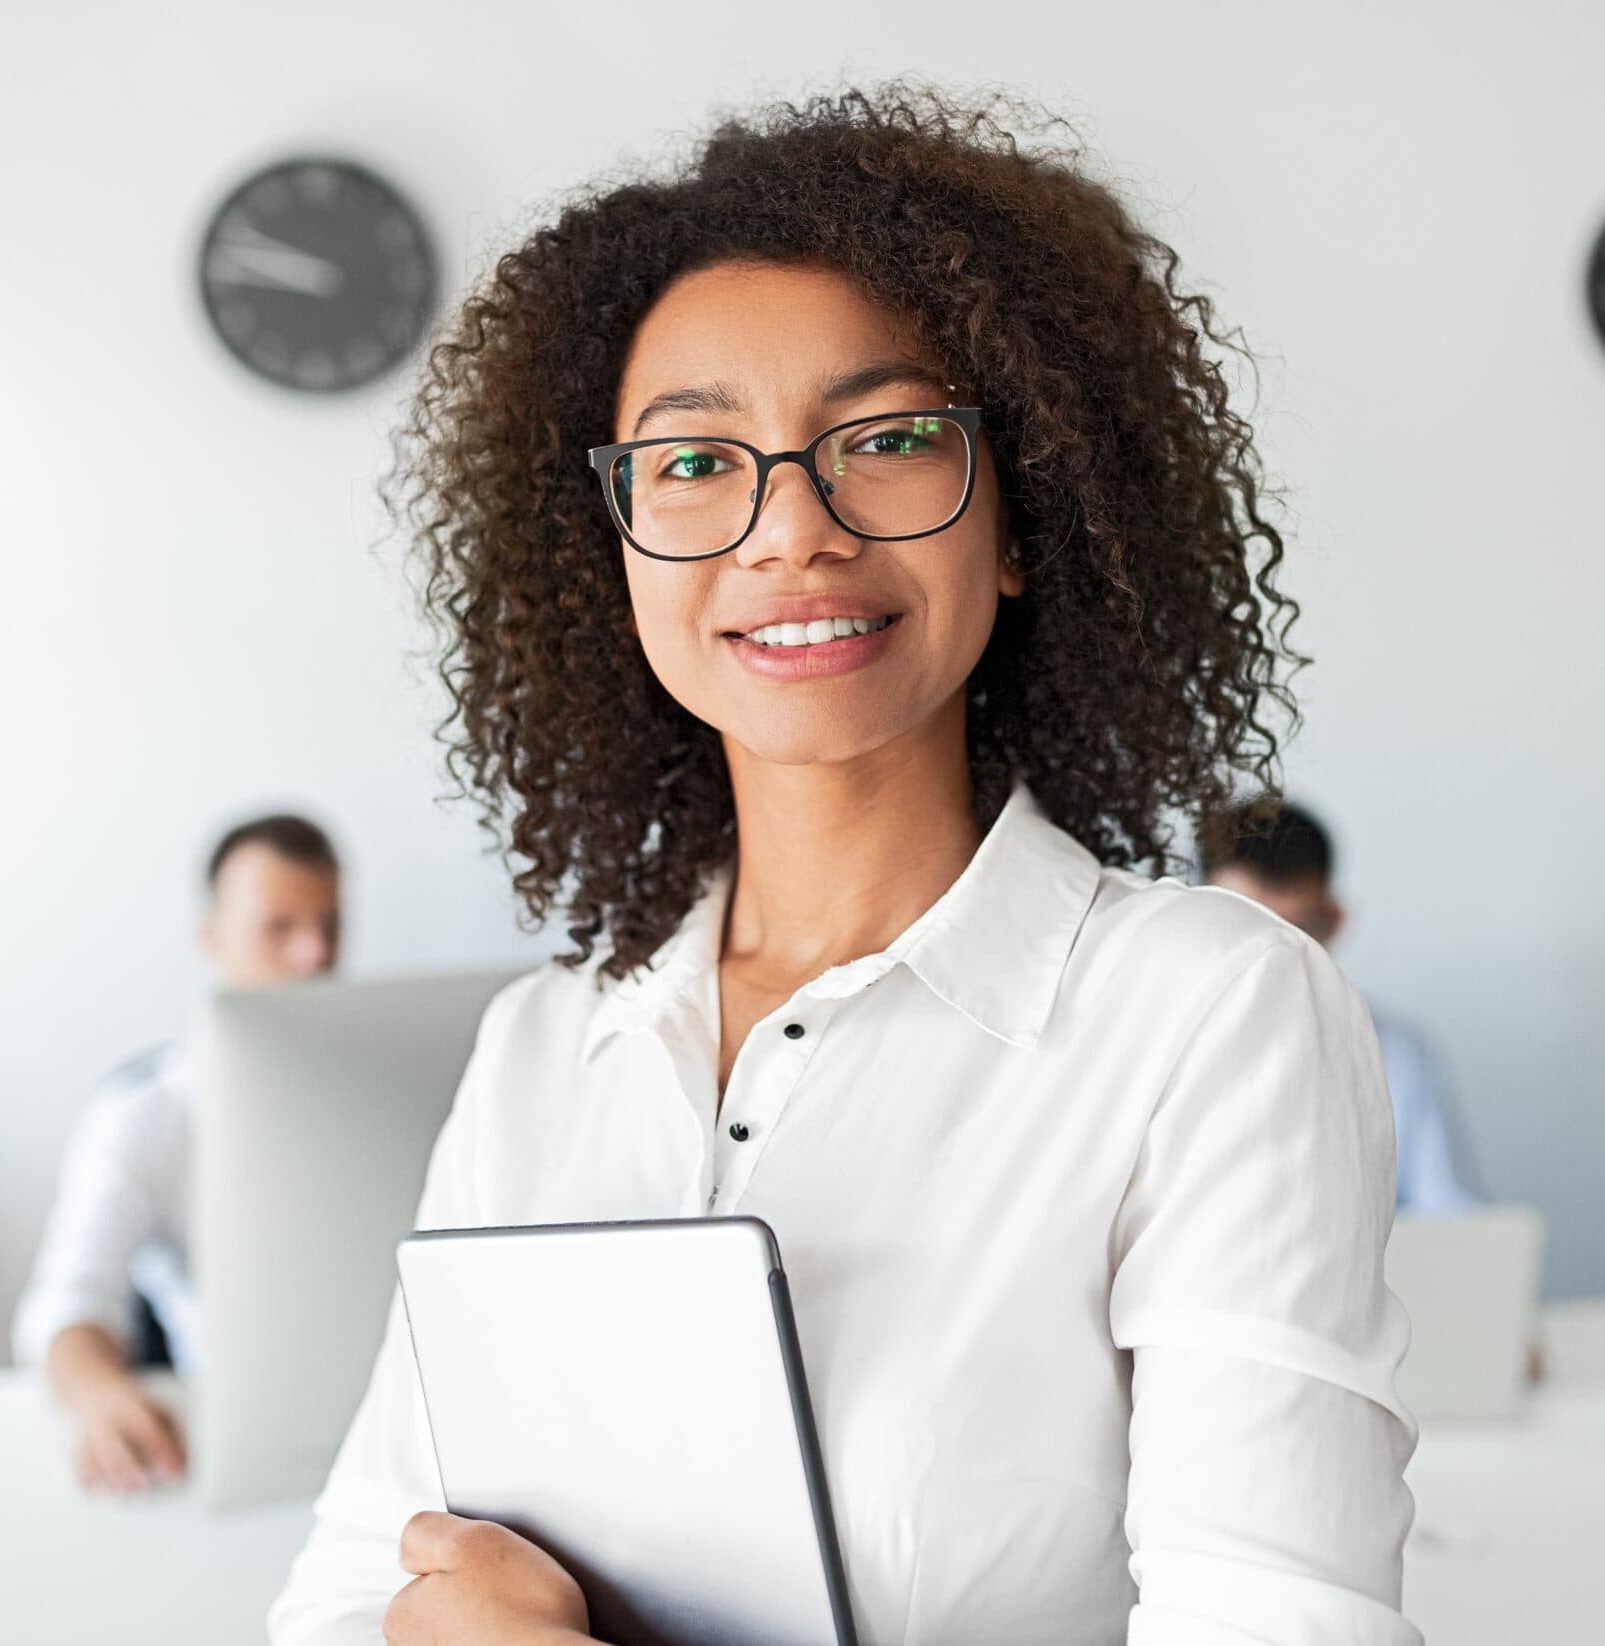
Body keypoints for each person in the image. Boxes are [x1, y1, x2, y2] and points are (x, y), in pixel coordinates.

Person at [271, 85, 1418, 1645]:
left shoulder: (1209, 1014)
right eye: (691, 464)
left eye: (883, 439)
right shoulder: (546, 1051)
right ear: (610, 556)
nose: (786, 530)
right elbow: (343, 1601)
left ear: (1021, 516)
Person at [12, 813, 341, 1493]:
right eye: (279, 928)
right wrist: (99, 1392)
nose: (314, 955)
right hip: (239, 1456)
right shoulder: (147, 1110)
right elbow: (64, 1307)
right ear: (212, 937)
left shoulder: (388, 1086)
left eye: (330, 927)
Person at [1201, 799, 1482, 1215]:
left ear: (1334, 921)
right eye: (1243, 929)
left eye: (1294, 934)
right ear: (1195, 919)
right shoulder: (1147, 1047)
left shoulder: (1398, 1055)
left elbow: (1455, 1224)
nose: (1265, 962)